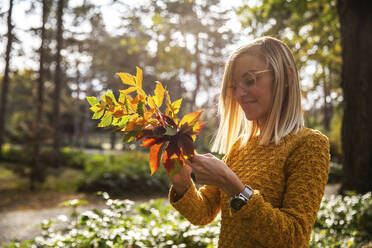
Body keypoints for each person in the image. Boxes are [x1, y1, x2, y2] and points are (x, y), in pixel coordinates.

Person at [167, 36, 330, 248]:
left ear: (287, 76)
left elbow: (293, 238)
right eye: (234, 86)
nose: (240, 94)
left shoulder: (309, 145)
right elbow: (203, 213)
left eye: (250, 80)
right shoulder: (239, 146)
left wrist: (233, 185)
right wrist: (182, 182)